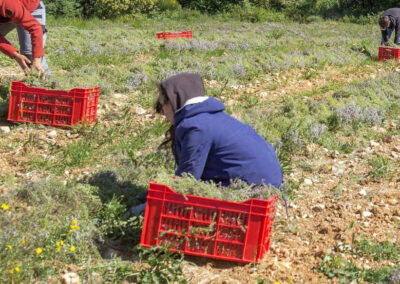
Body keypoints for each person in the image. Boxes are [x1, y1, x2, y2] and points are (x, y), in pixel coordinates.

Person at [130, 73, 283, 215]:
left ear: (175, 101)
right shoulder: (211, 117)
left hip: (253, 193)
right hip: (268, 186)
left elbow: (188, 178)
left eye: (161, 104)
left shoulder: (196, 127)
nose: (162, 112)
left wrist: (146, 207)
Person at [0, 0, 49, 77]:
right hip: (6, 14)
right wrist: (15, 54)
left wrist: (36, 59)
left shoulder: (7, 3)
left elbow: (35, 27)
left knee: (30, 56)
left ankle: (46, 85)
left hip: (29, 9)